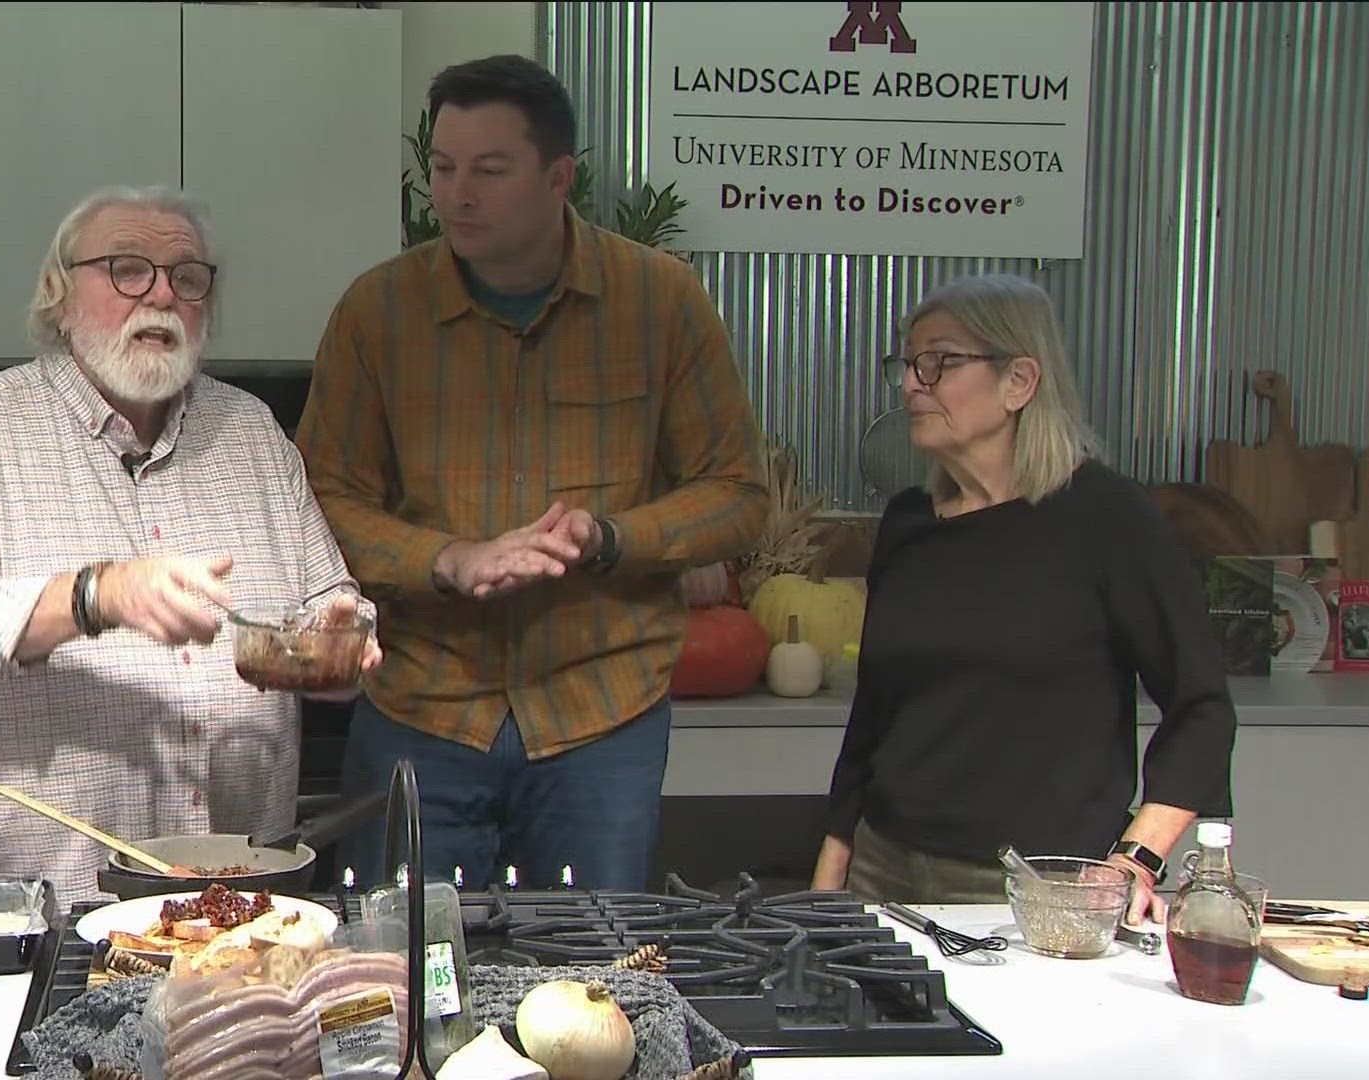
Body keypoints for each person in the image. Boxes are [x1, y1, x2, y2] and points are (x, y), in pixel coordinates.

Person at [296, 55, 769, 892]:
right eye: (442, 169)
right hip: (422, 707)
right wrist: (448, 560)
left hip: (601, 714)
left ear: (560, 177)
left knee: (586, 982)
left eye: (489, 169)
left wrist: (609, 537)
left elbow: (735, 496)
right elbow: (322, 502)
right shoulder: (379, 312)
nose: (456, 195)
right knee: (405, 980)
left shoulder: (660, 301)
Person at [0, 186, 376, 903]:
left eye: (187, 276)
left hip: (233, 898)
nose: (161, 296)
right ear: (58, 295)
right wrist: (97, 595)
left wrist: (344, 639)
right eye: (127, 269)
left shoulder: (255, 435)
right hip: (40, 908)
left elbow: (331, 604)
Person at [812, 273, 1238, 923]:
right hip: (884, 872)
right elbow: (873, 714)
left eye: (940, 361)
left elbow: (1202, 707)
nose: (910, 384)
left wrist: (1135, 861)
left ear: (1020, 381)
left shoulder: (1106, 518)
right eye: (907, 362)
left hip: (1039, 891)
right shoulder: (907, 521)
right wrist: (830, 873)